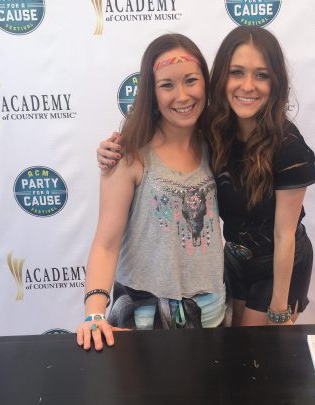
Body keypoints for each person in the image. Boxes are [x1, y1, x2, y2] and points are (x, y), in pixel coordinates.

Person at [97, 26, 315, 327]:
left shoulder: (288, 147)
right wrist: (110, 150)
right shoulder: (216, 131)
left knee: (253, 350)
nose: (248, 86)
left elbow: (284, 235)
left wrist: (279, 310)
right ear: (221, 78)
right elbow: (106, 242)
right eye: (237, 72)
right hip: (232, 264)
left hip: (276, 267)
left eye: (261, 75)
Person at [77, 34, 225, 351]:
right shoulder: (128, 154)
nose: (182, 95)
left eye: (191, 80)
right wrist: (94, 314)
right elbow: (105, 244)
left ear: (205, 82)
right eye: (167, 85)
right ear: (152, 92)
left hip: (210, 310)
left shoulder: (216, 143)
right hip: (141, 316)